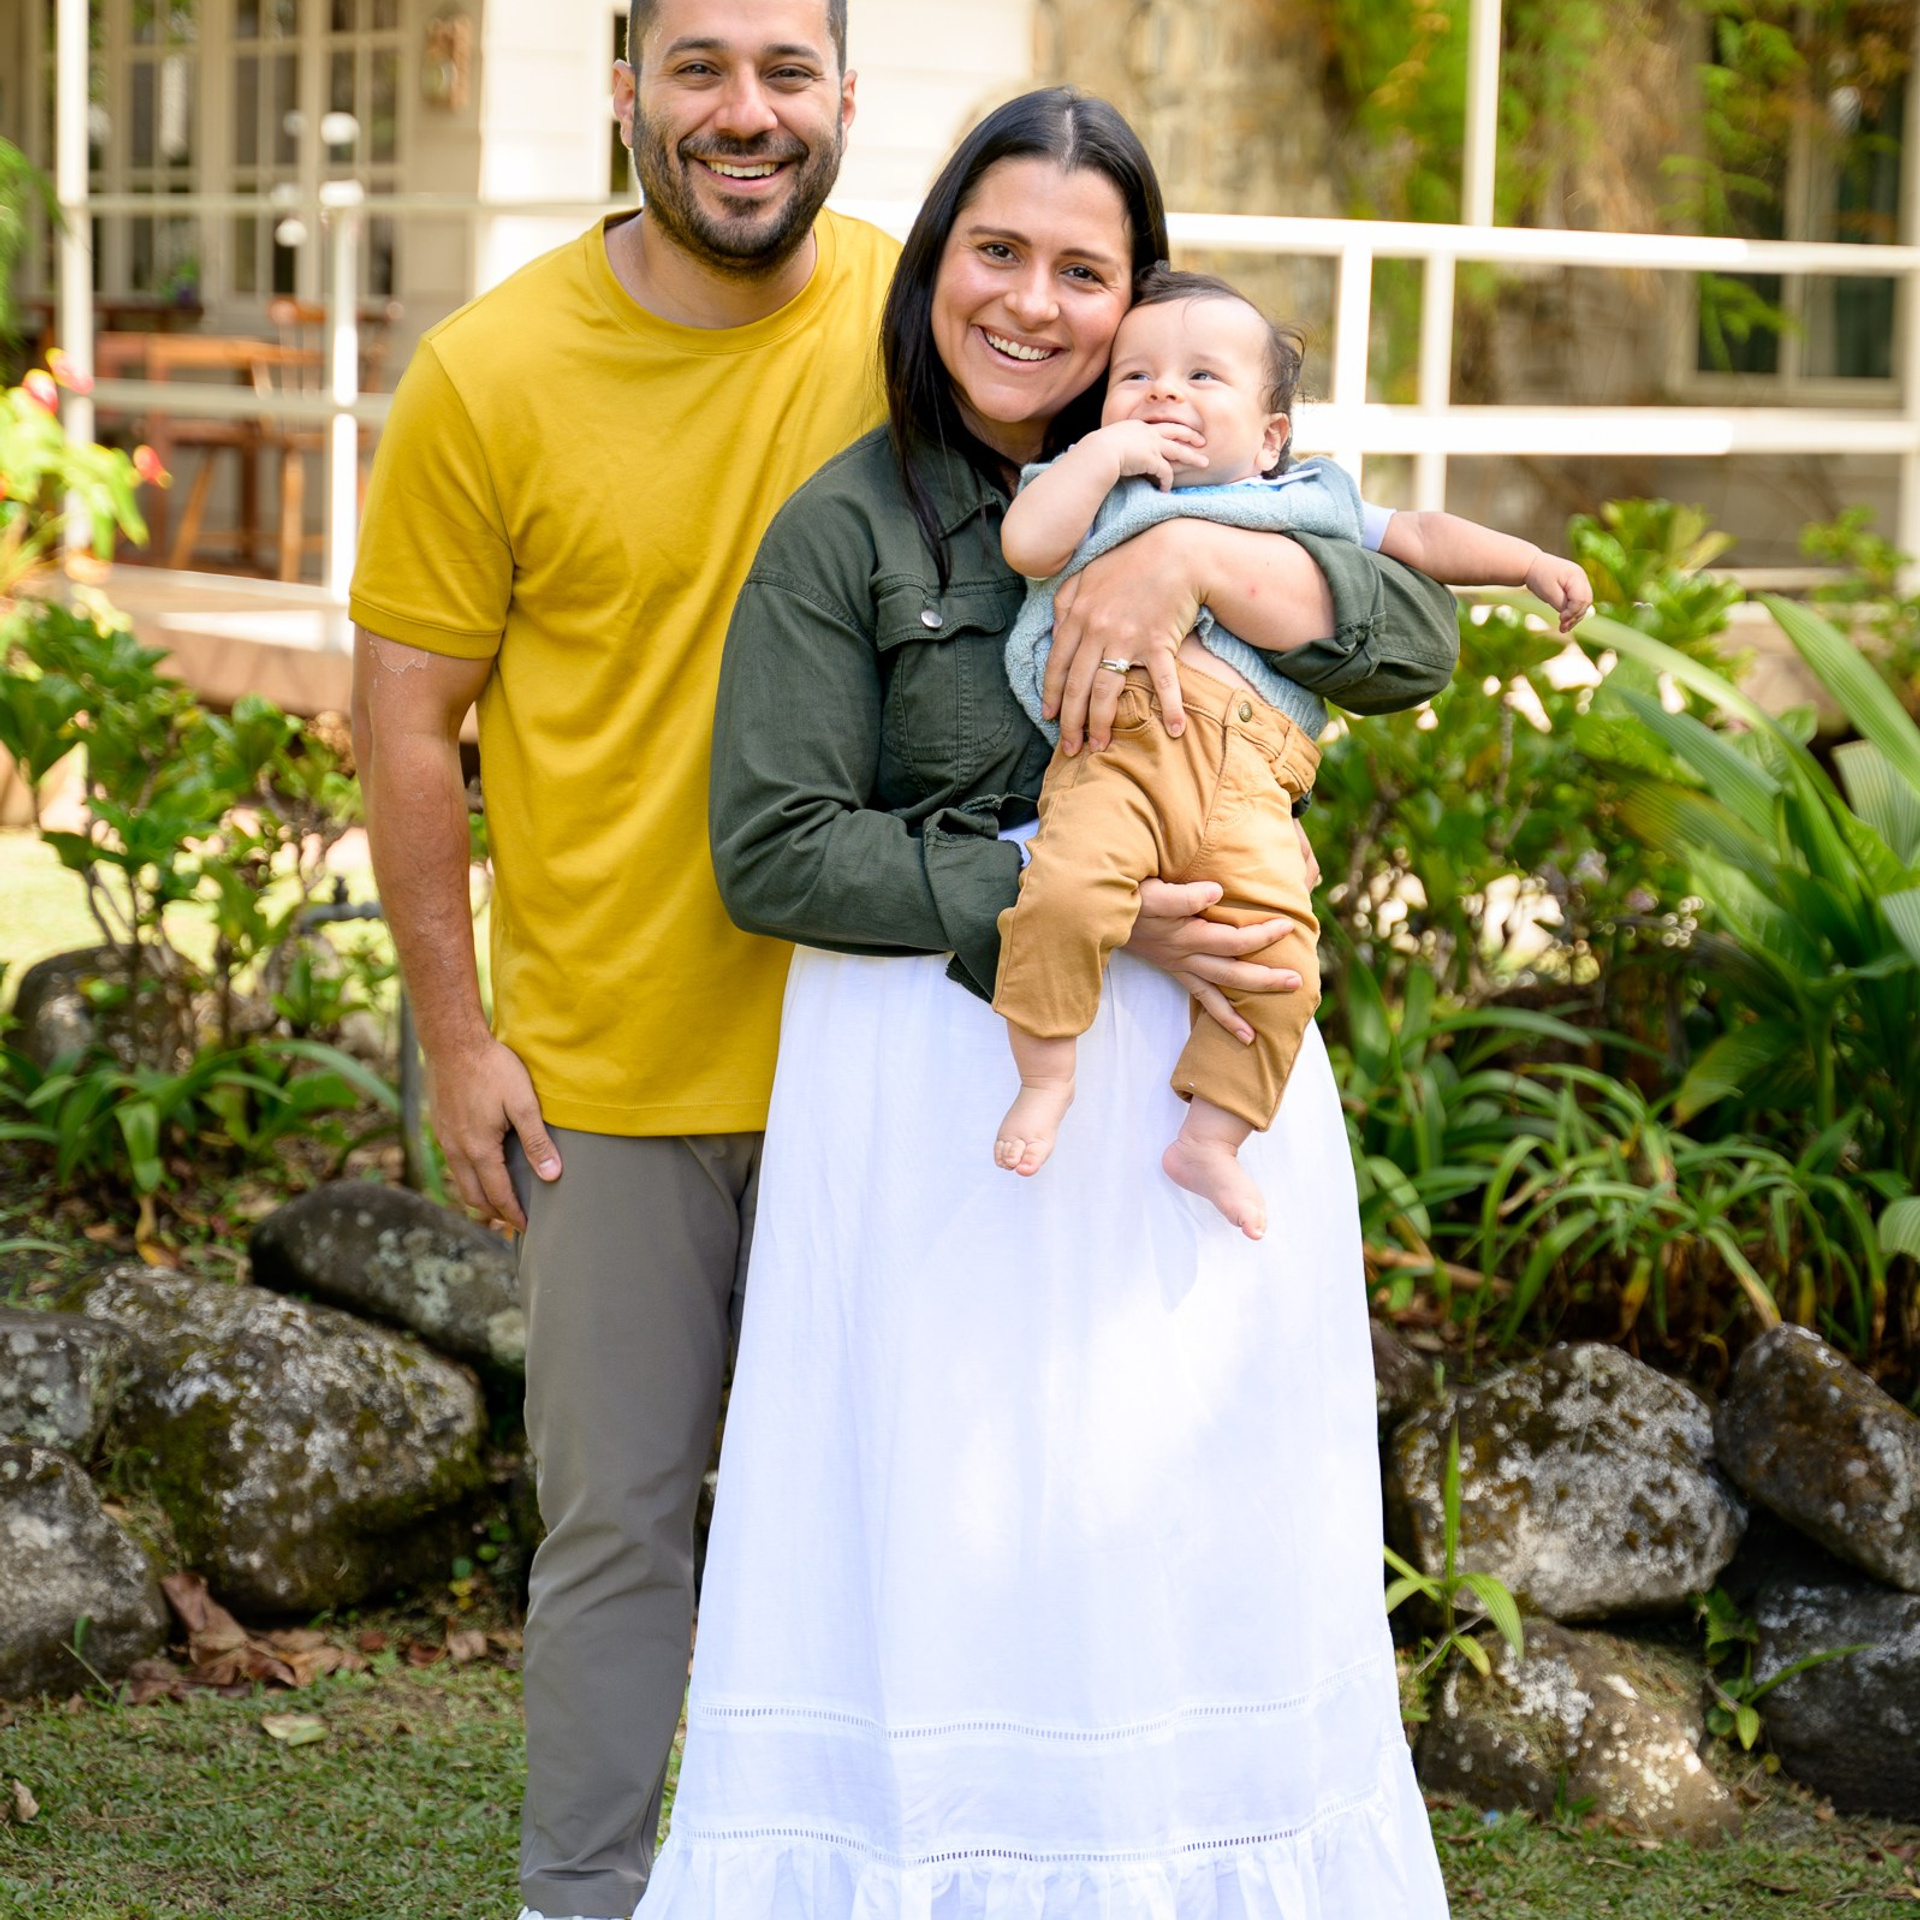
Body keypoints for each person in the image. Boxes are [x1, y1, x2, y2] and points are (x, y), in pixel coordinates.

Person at [635, 88, 1459, 1918]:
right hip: (944, 1096)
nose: (1033, 303)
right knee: (955, 1551)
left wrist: (1195, 556)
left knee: (1191, 1537)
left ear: (1136, 301)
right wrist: (1073, 901)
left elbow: (1411, 637)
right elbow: (773, 850)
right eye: (994, 253)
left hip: (1200, 1102)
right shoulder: (846, 530)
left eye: (1084, 270)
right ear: (931, 268)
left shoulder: (1222, 475)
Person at [345, 4, 901, 1915]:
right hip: (613, 1078)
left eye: (785, 71)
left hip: (894, 1053)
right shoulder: (489, 374)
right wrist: (454, 1040)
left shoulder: (934, 324)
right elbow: (410, 721)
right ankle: (580, 1901)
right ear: (625, 91)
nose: (744, 116)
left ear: (844, 97)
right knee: (615, 1540)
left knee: (891, 1538)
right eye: (698, 70)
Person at [992, 265, 1592, 1236]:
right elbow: (1027, 542)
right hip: (1121, 753)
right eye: (1134, 375)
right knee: (1064, 892)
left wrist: (1526, 564)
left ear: (1271, 435)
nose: (1164, 394)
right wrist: (1100, 457)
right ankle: (1046, 1072)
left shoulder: (1305, 504)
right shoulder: (1096, 493)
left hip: (1253, 784)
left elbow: (1422, 534)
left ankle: (1213, 1137)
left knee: (1282, 962)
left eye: (1202, 377)